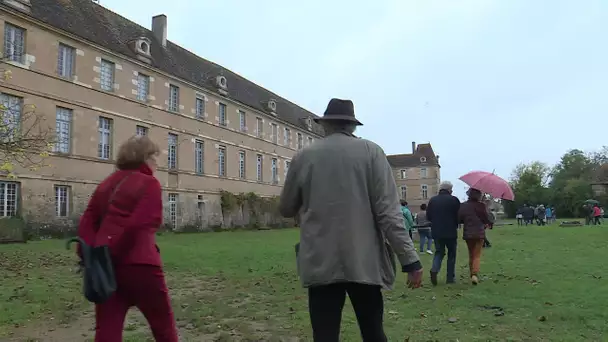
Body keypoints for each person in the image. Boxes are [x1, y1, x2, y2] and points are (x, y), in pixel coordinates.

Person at [279, 98, 422, 342]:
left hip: (321, 260)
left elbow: (285, 207)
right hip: (363, 260)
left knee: (324, 335)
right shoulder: (372, 153)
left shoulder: (304, 156)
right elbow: (389, 213)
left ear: (324, 125)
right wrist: (410, 261)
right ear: (352, 126)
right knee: (373, 332)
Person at [77, 136, 179, 342]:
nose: (157, 163)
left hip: (106, 268)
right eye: (155, 157)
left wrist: (95, 256)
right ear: (144, 158)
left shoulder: (106, 184)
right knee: (163, 327)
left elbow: (87, 224)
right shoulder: (149, 183)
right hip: (141, 265)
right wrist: (113, 250)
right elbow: (142, 223)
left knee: (107, 329)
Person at [426, 181, 461, 285]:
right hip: (451, 232)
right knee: (451, 255)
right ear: (449, 190)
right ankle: (450, 278)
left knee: (439, 252)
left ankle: (434, 269)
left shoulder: (433, 200)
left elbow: (429, 217)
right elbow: (458, 216)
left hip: (436, 231)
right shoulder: (454, 200)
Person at [458, 188, 492, 285]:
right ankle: (474, 274)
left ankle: (472, 274)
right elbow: (486, 219)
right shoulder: (481, 205)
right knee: (477, 255)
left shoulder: (463, 206)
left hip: (468, 233)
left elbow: (460, 219)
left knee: (471, 254)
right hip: (479, 233)